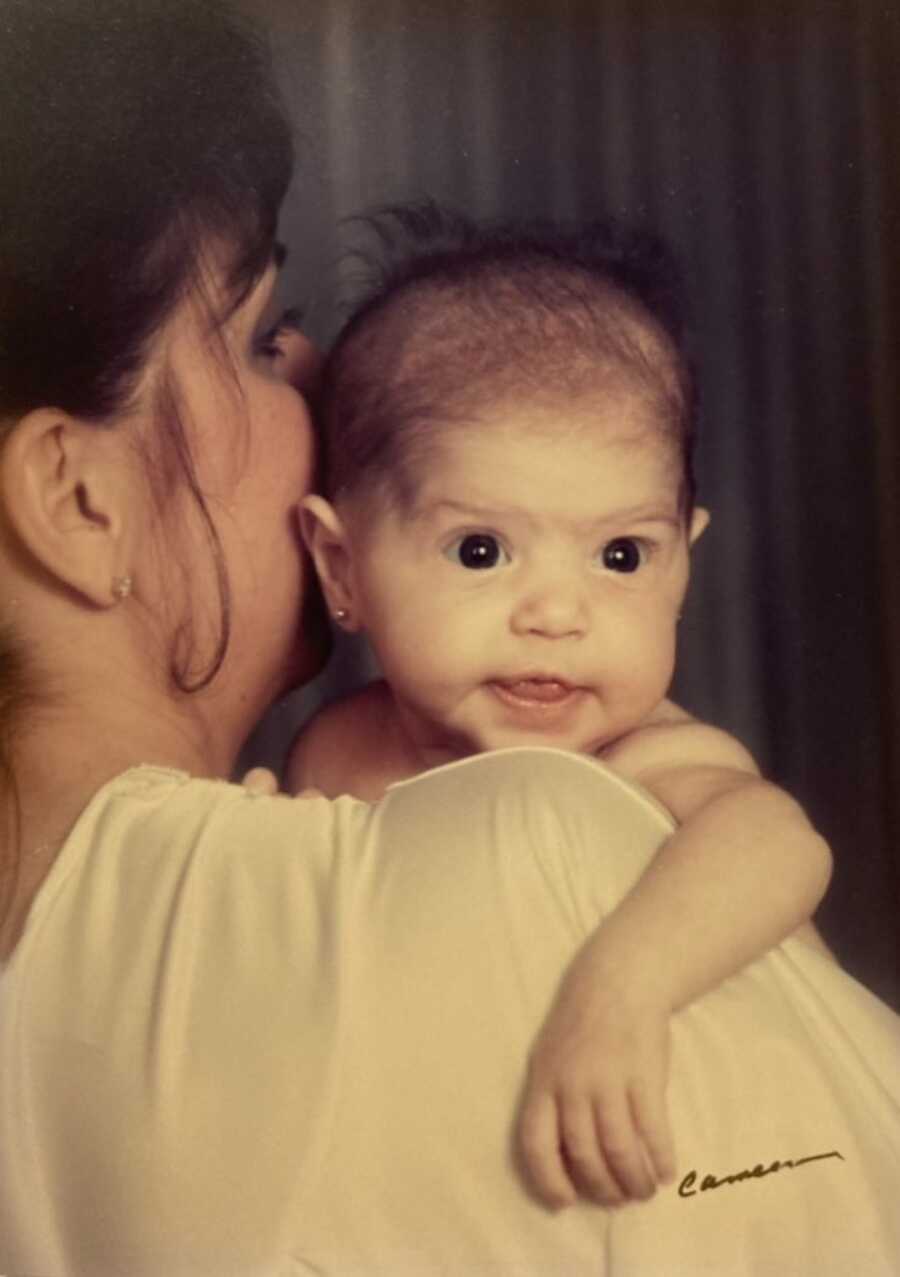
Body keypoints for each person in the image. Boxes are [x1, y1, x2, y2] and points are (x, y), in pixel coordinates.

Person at [1, 3, 899, 1275]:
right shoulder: (545, 844)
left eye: (624, 553)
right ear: (78, 500)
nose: (315, 370)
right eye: (259, 336)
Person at [286, 205, 833, 1204]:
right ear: (342, 567)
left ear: (681, 566)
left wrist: (621, 990)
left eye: (621, 555)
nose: (556, 612)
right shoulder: (333, 756)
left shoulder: (650, 758)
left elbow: (779, 842)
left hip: (721, 1174)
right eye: (481, 549)